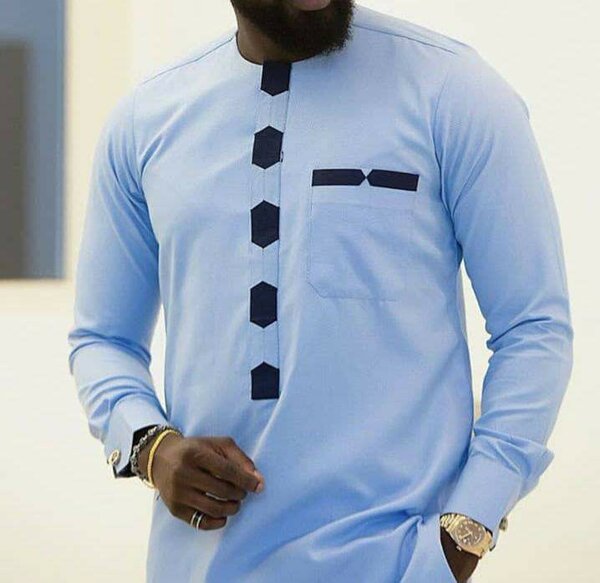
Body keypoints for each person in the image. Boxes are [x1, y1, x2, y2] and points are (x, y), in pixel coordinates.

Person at [67, 2, 573, 581]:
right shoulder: (145, 121)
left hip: (399, 564)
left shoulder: (454, 93)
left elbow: (534, 330)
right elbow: (102, 339)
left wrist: (466, 530)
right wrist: (151, 448)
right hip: (197, 566)